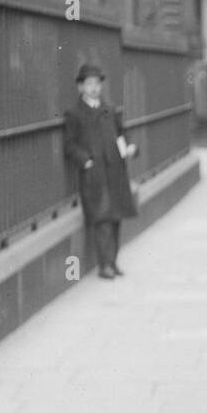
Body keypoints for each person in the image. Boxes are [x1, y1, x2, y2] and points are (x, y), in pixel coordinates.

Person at [63, 63, 138, 279]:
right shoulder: (75, 113)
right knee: (102, 217)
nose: (94, 88)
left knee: (116, 217)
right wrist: (85, 160)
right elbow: (69, 145)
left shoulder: (109, 108)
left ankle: (113, 262)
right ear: (80, 87)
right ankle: (104, 265)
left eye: (97, 84)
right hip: (94, 174)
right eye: (89, 84)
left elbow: (121, 134)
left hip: (115, 170)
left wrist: (129, 149)